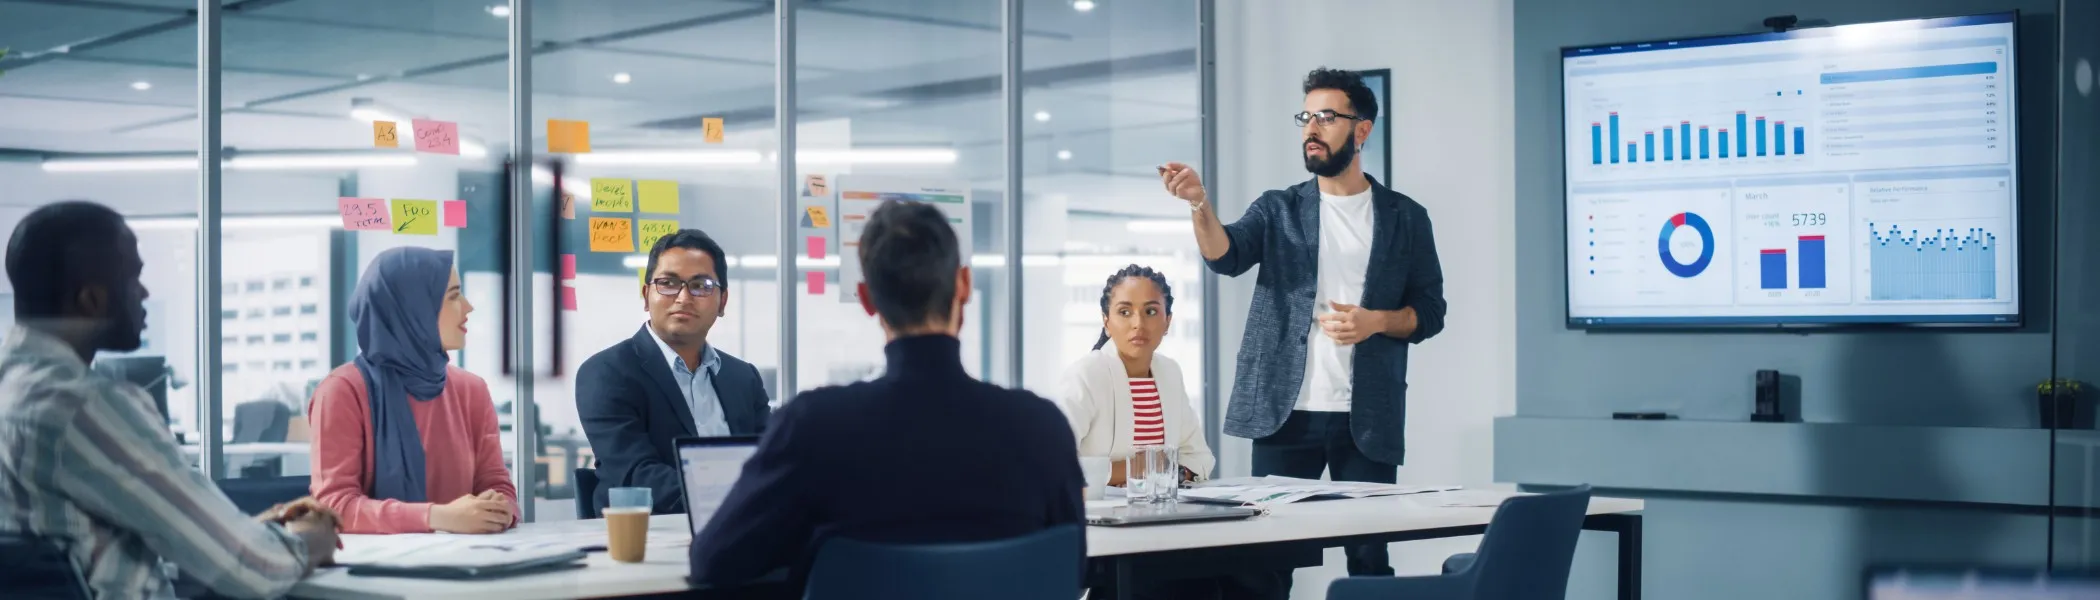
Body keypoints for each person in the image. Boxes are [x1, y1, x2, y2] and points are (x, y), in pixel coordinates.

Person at [689, 200, 1085, 591]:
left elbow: (714, 560)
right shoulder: (1042, 427)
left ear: (867, 298)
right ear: (964, 284)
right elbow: (1072, 565)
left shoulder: (814, 426)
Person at [1160, 67, 1447, 595]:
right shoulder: (1279, 208)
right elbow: (1226, 256)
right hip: (1284, 414)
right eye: (1306, 117)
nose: (1311, 129)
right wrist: (1200, 204)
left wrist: (1376, 322)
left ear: (1361, 130)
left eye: (1327, 117)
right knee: (1263, 565)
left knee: (1369, 558)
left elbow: (1430, 311)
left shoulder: (1406, 217)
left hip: (1368, 418)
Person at [0, 200, 338, 599]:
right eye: (133, 278)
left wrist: (250, 534)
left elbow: (85, 538)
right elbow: (252, 570)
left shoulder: (13, 390)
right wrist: (311, 540)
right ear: (90, 300)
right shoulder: (85, 406)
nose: (144, 293)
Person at [308, 247, 519, 534]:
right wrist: (437, 517)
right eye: (453, 296)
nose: (468, 307)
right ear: (413, 307)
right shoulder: (341, 392)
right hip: (374, 560)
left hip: (468, 555)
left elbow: (497, 486)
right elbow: (334, 507)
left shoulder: (472, 390)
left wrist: (501, 509)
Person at [578, 229, 771, 515]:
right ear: (646, 296)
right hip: (650, 534)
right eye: (668, 283)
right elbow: (637, 475)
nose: (683, 297)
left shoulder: (743, 378)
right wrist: (739, 498)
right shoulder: (607, 373)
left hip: (744, 529)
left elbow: (772, 459)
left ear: (722, 301)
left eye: (701, 285)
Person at [1058, 265, 1215, 485]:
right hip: (1100, 506)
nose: (1138, 324)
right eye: (1124, 312)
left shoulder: (1170, 372)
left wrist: (1173, 472)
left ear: (1168, 321)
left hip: (1162, 504)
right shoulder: (1086, 374)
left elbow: (1199, 457)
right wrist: (1139, 468)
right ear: (1106, 321)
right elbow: (1053, 460)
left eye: (1150, 312)